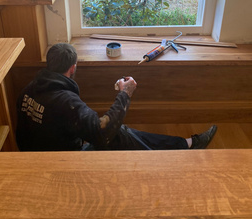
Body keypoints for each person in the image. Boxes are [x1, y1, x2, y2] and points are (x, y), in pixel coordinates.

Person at [16, 43, 217, 151]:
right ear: (73, 68)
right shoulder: (65, 102)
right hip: (60, 164)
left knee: (119, 131)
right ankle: (172, 162)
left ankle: (184, 145)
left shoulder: (29, 89)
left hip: (36, 153)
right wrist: (125, 93)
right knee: (116, 134)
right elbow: (103, 132)